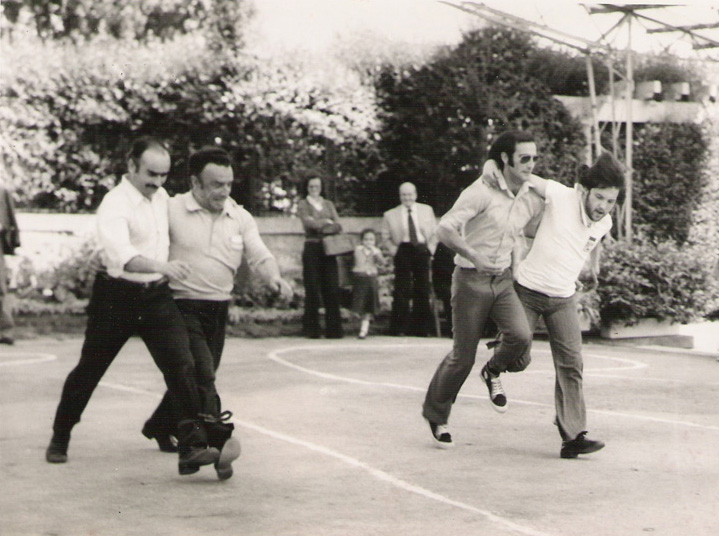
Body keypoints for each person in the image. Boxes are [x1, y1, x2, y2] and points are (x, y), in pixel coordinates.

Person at [45, 137, 220, 476]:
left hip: (155, 297)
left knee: (182, 365)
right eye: (151, 175)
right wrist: (162, 266)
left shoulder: (161, 197)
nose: (157, 183)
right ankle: (60, 435)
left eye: (164, 175)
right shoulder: (114, 204)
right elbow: (121, 257)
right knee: (90, 369)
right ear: (131, 166)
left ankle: (191, 448)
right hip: (116, 298)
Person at [141, 146, 292, 479]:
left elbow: (259, 253)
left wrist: (274, 277)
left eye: (228, 184)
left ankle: (157, 425)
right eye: (216, 185)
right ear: (195, 182)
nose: (224, 192)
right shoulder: (170, 209)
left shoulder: (239, 216)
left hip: (218, 306)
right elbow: (144, 241)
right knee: (202, 373)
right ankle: (208, 442)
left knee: (196, 374)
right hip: (180, 304)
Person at [483, 152, 625, 459]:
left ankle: (573, 436)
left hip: (562, 299)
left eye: (610, 201)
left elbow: (578, 248)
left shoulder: (605, 223)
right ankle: (493, 368)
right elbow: (521, 176)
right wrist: (493, 167)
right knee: (519, 361)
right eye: (599, 197)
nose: (603, 206)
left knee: (572, 364)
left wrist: (574, 276)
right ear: (585, 190)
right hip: (528, 292)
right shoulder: (560, 195)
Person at [422, 131, 544, 448]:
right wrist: (473, 255)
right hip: (469, 280)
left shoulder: (531, 193)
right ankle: (437, 415)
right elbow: (445, 228)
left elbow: (537, 222)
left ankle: (492, 371)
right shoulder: (480, 191)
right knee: (462, 357)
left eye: (534, 158)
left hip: (502, 280)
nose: (531, 164)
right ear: (505, 159)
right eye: (524, 158)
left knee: (521, 336)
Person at [381, 182, 438, 337]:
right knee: (402, 288)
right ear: (400, 196)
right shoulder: (390, 214)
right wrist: (395, 251)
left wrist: (430, 250)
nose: (407, 197)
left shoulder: (427, 210)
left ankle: (421, 329)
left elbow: (435, 233)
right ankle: (399, 328)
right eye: (404, 195)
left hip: (421, 249)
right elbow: (385, 238)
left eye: (410, 194)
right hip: (403, 250)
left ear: (415, 194)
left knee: (422, 287)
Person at [297, 174, 344, 339]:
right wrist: (327, 223)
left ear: (321, 187)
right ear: (307, 188)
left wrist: (321, 224)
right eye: (311, 187)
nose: (314, 190)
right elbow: (308, 223)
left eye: (317, 186)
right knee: (312, 289)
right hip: (312, 248)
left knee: (331, 287)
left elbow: (338, 225)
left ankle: (334, 330)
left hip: (329, 249)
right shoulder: (303, 204)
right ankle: (312, 329)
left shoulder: (328, 204)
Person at [351, 228, 384, 339]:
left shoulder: (376, 251)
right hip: (360, 278)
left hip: (371, 279)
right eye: (366, 239)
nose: (368, 242)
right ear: (362, 240)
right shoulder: (358, 250)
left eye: (371, 240)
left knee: (369, 305)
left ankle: (364, 329)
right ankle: (358, 324)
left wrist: (376, 254)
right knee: (359, 303)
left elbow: (382, 263)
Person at [0, 184, 20, 345]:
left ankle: (5, 331)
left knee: (0, 288)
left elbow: (10, 218)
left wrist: (13, 243)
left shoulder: (2, 191)